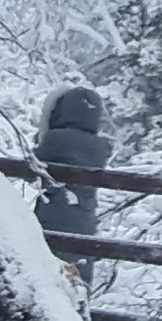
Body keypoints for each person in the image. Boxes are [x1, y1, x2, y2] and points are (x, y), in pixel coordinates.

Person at [32, 86, 113, 239]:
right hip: (86, 219)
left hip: (52, 214)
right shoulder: (101, 146)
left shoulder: (54, 139)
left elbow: (34, 165)